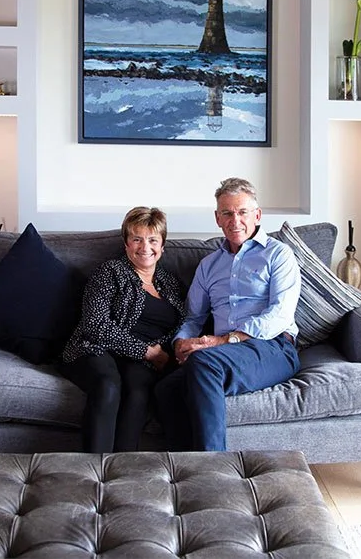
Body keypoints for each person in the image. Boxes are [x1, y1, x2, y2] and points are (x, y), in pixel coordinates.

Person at [153, 177, 301, 451]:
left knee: (205, 363)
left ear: (257, 215)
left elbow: (280, 314)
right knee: (166, 388)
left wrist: (225, 340)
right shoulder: (209, 265)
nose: (236, 220)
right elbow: (193, 317)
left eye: (243, 212)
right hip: (224, 354)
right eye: (227, 213)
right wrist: (180, 345)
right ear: (217, 218)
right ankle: (186, 470)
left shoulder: (278, 255)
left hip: (273, 347)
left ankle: (215, 469)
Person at [60, 206, 187, 452]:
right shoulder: (109, 272)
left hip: (140, 364)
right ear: (126, 243)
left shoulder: (171, 283)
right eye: (137, 239)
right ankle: (94, 470)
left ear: (162, 246)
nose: (145, 247)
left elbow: (184, 322)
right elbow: (95, 326)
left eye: (152, 240)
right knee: (108, 385)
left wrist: (167, 351)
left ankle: (121, 469)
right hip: (96, 349)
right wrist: (148, 352)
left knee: (139, 393)